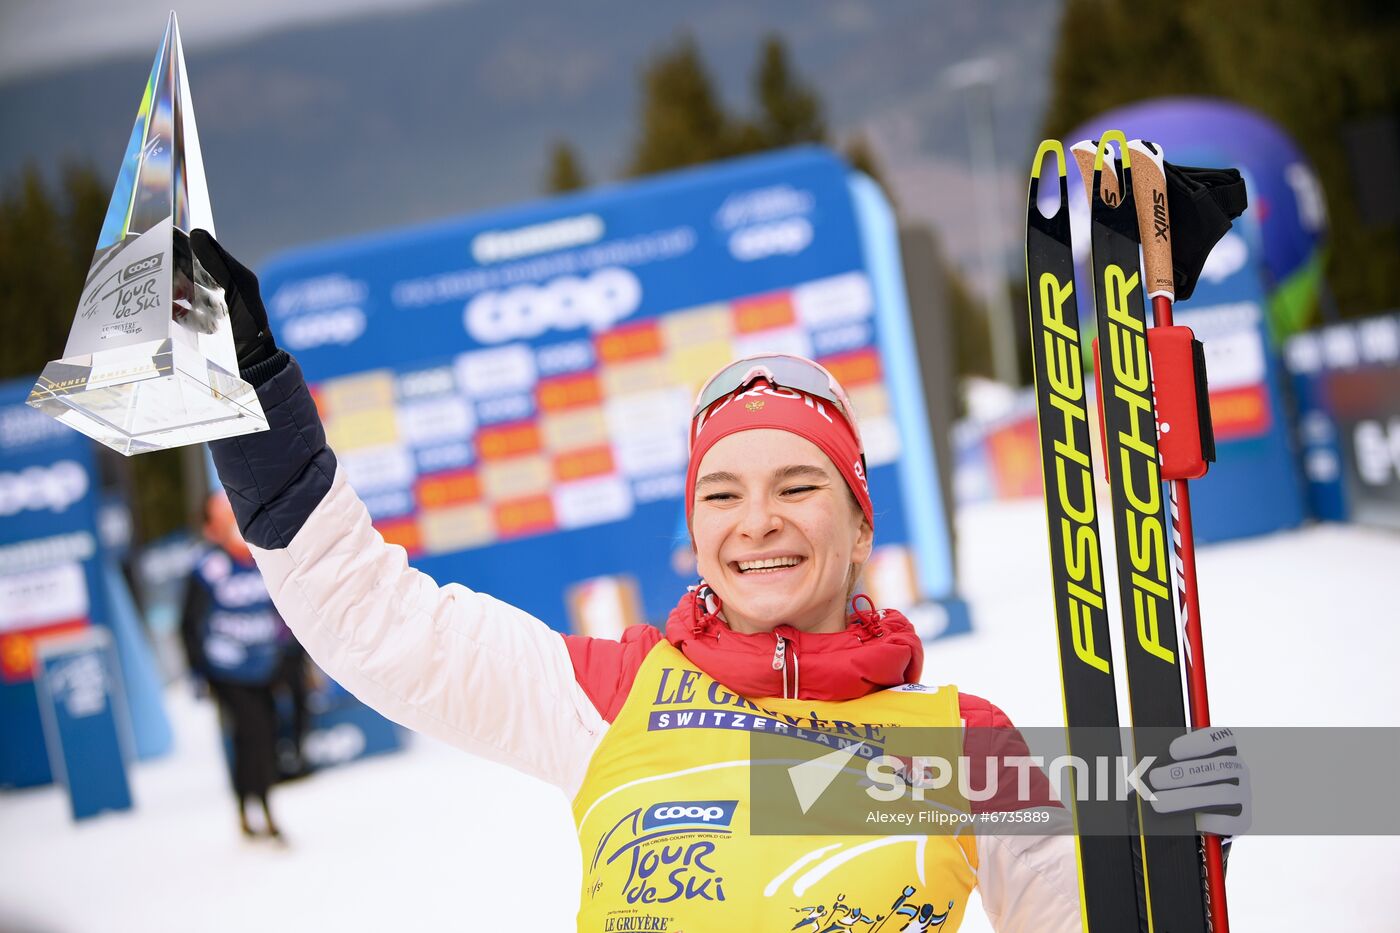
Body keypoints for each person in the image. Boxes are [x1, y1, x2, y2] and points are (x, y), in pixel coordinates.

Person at [192, 230, 1247, 929]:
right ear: (692, 533)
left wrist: (1172, 864)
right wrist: (255, 404)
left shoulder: (965, 743)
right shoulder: (608, 695)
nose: (759, 523)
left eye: (798, 484)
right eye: (721, 495)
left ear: (857, 518)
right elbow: (372, 622)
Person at [180, 488, 302, 838]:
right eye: (221, 513)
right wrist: (199, 671)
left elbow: (283, 611)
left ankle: (261, 806)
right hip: (227, 669)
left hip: (263, 664)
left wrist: (287, 657)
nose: (231, 518)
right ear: (210, 526)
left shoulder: (262, 556)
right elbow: (188, 624)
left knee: (267, 735)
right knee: (249, 735)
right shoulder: (207, 568)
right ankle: (251, 810)